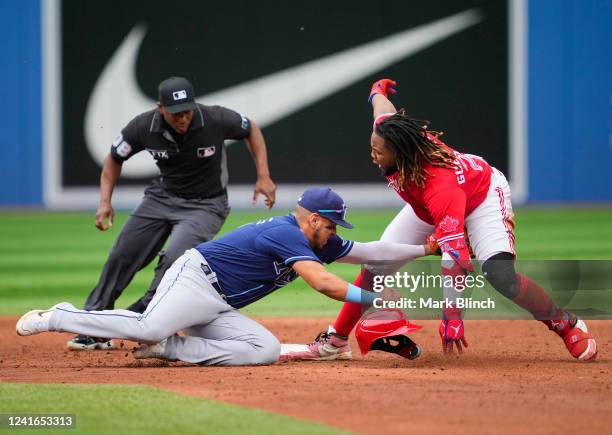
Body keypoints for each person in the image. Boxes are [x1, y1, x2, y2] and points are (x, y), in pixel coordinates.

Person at [281, 79, 597, 362]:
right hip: (426, 207)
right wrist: (376, 92)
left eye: (378, 151)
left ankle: (565, 324)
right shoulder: (393, 136)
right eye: (372, 146)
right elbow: (383, 111)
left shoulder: (438, 183)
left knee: (501, 275)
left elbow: (455, 256)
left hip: (480, 196)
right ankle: (336, 340)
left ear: (400, 152)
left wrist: (452, 314)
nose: (373, 154)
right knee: (377, 266)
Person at [17, 188, 435, 366]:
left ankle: (171, 350)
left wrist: (422, 250)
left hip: (218, 303)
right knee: (148, 325)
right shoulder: (286, 232)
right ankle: (59, 317)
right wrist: (374, 301)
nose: (334, 234)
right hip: (194, 279)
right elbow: (324, 284)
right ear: (312, 218)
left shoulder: (316, 240)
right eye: (331, 226)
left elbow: (372, 251)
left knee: (264, 349)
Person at [67, 76, 277, 351]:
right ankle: (93, 323)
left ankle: (140, 320)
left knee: (173, 263)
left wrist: (263, 175)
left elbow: (252, 129)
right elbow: (114, 159)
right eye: (176, 113)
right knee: (122, 255)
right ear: (160, 108)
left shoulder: (214, 118)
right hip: (161, 198)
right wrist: (105, 202)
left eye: (187, 111)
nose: (183, 118)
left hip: (206, 205)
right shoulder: (143, 126)